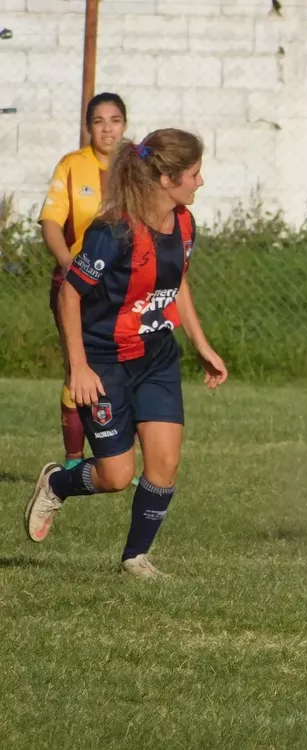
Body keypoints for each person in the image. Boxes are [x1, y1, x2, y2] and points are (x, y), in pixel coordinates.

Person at [23, 128, 228, 578]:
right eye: (194, 174)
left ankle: (135, 557)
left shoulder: (184, 223)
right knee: (116, 476)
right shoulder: (112, 231)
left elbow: (177, 285)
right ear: (168, 178)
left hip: (156, 357)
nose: (200, 182)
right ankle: (57, 482)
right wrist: (78, 366)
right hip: (105, 362)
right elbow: (70, 296)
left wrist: (202, 344)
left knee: (165, 462)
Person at [39, 93, 128, 471]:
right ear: (87, 126)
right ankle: (74, 460)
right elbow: (51, 222)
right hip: (79, 285)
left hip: (125, 285)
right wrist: (66, 262)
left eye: (115, 120)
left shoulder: (137, 163)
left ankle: (124, 456)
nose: (107, 128)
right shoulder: (73, 165)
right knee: (79, 365)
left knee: (129, 367)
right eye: (98, 121)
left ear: (124, 124)